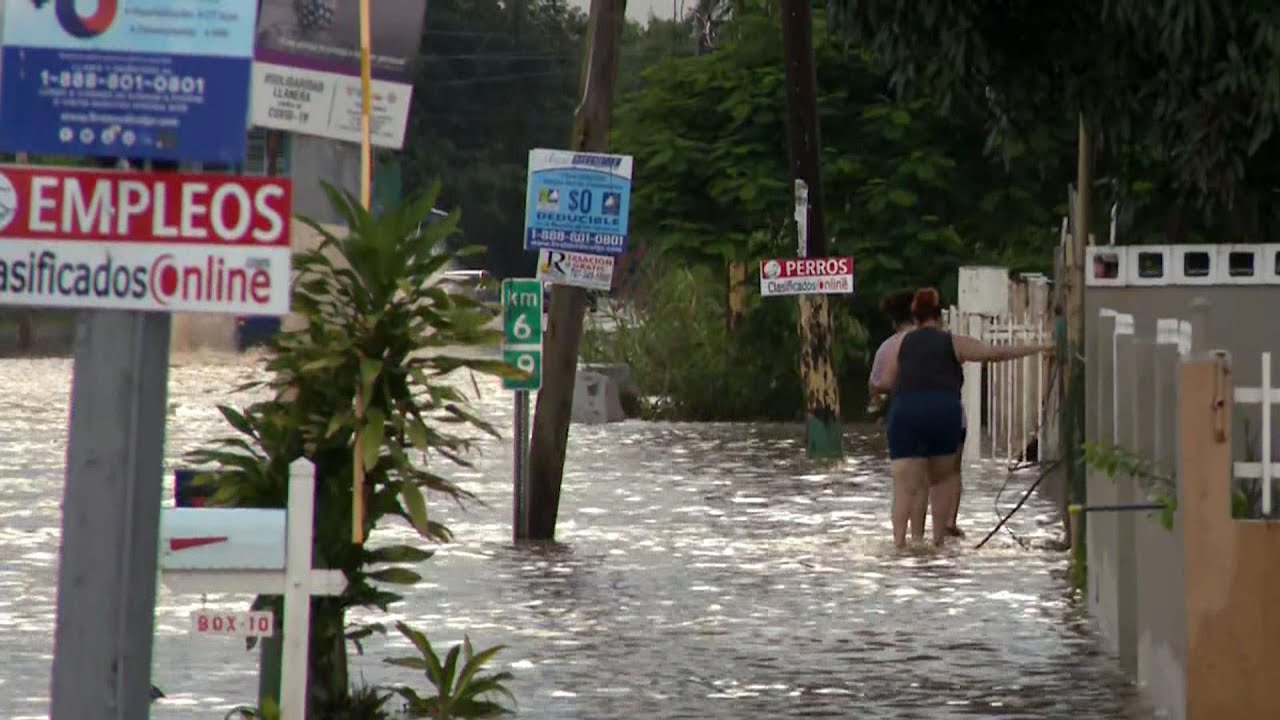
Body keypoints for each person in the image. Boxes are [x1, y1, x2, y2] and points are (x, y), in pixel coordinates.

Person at [875, 288, 1052, 548]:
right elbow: (994, 354)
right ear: (940, 316)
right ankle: (937, 544)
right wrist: (1039, 347)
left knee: (905, 486)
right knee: (942, 478)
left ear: (914, 318)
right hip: (944, 410)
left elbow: (885, 381)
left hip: (906, 411)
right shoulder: (953, 342)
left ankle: (901, 545)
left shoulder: (899, 343)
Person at [867, 290, 929, 540]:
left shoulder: (887, 347)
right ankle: (918, 539)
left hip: (900, 415)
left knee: (902, 484)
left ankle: (899, 541)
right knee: (922, 482)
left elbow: (875, 385)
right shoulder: (932, 340)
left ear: (893, 320)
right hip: (929, 413)